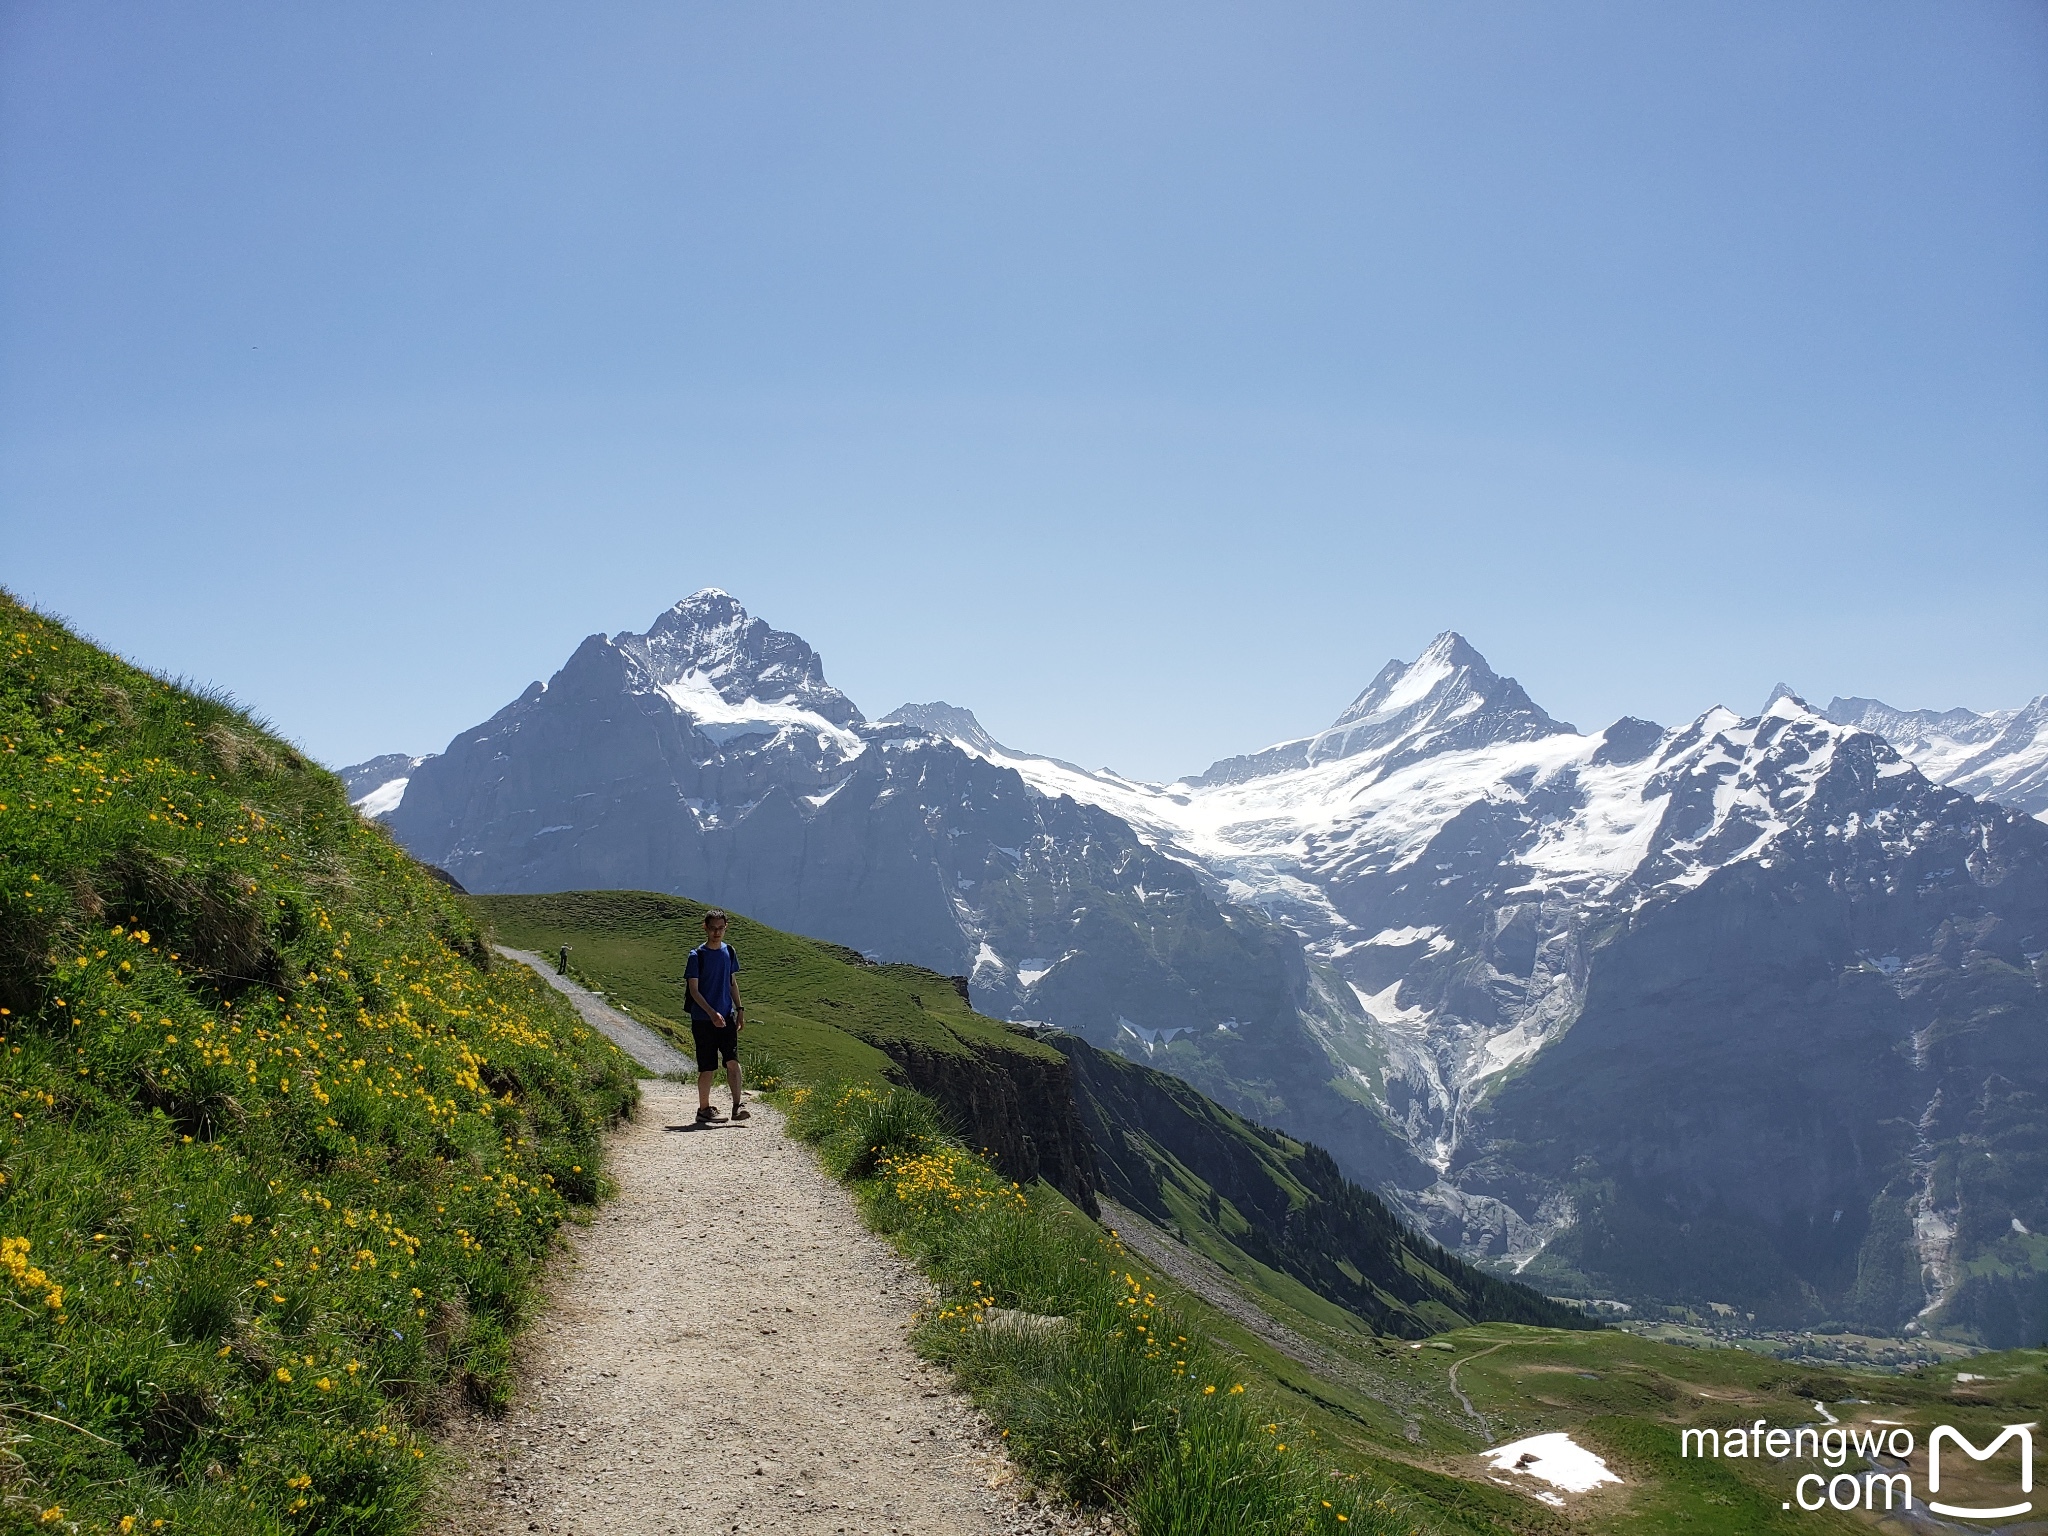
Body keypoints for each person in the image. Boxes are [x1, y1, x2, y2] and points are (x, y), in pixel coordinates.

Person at [684, 909, 747, 1124]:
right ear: (705, 928)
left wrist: (740, 1009)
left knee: (732, 1060)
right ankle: (703, 1109)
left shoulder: (729, 951)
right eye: (713, 928)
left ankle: (737, 1107)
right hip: (703, 1019)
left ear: (726, 927)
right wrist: (712, 1013)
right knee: (707, 1066)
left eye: (721, 928)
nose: (717, 932)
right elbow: (694, 990)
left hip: (727, 1016)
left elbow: (732, 982)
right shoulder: (696, 956)